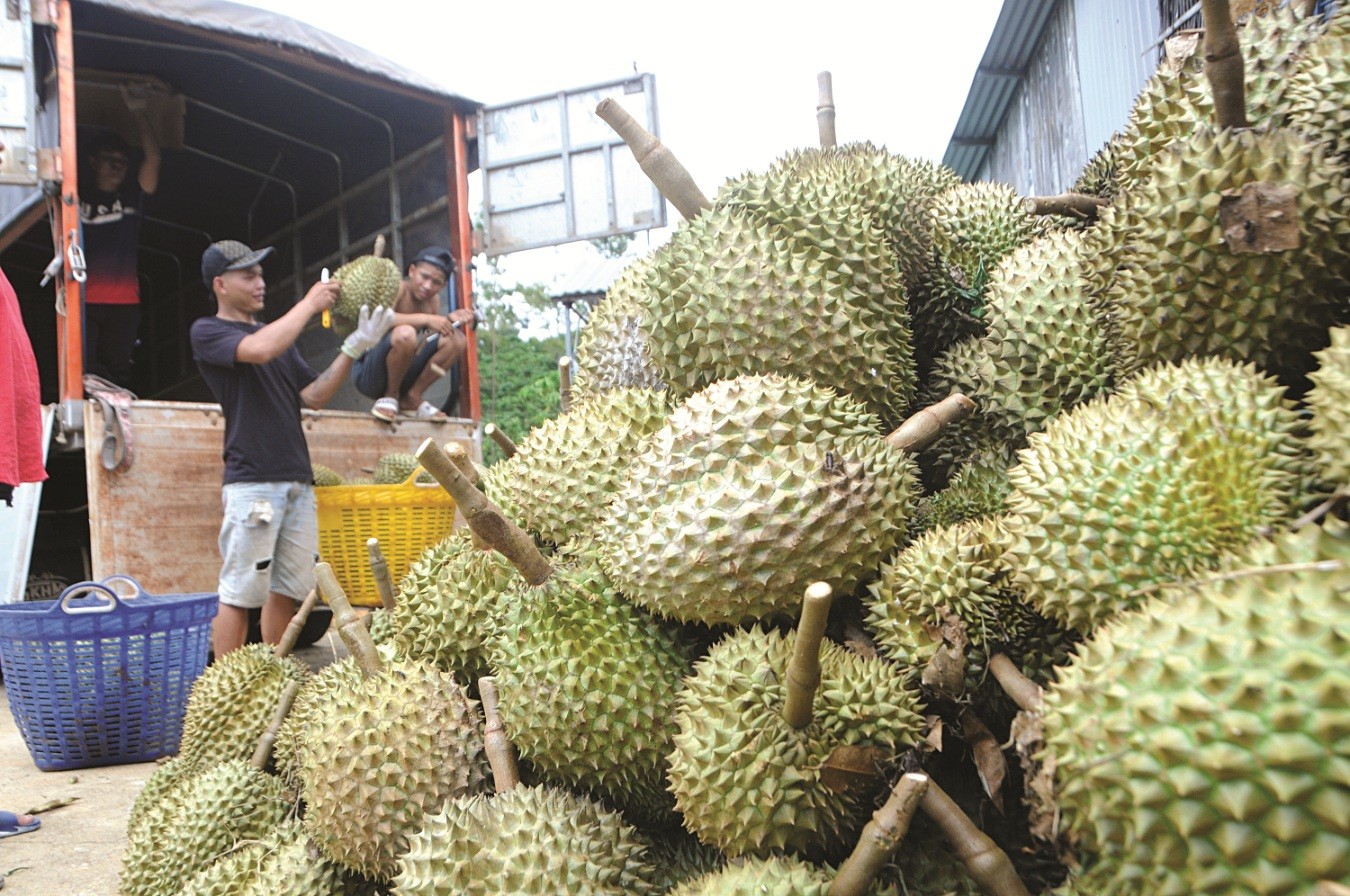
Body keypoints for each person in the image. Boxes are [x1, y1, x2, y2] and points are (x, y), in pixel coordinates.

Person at [190, 240, 393, 659]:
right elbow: (260, 349)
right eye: (249, 275)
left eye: (261, 274)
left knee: (288, 588)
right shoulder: (209, 332)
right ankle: (226, 686)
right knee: (240, 590)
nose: (260, 283)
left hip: (297, 479)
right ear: (220, 285)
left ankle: (275, 677)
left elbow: (315, 395)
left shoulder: (279, 341)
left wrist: (353, 348)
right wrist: (308, 303)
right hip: (253, 482)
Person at [80, 100, 161, 388]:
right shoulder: (73, 198)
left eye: (122, 162)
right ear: (93, 162)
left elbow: (152, 159)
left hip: (124, 301)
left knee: (117, 374)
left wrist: (140, 112)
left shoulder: (131, 199)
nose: (116, 167)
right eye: (108, 160)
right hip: (83, 298)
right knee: (84, 371)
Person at [352, 246, 474, 422]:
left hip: (401, 372)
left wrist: (447, 321)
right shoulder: (399, 288)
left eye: (436, 283)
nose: (427, 286)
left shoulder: (433, 301)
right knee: (406, 333)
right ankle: (391, 395)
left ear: (443, 285)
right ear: (412, 270)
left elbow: (422, 346)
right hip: (369, 373)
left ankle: (412, 397)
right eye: (424, 277)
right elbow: (382, 319)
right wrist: (426, 319)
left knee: (456, 340)